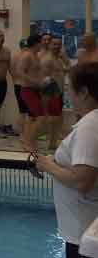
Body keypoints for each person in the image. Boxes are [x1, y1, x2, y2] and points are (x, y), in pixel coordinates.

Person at [34, 62, 98, 258]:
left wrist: (49, 165)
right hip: (85, 228)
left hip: (83, 233)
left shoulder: (89, 126)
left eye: (70, 88)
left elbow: (82, 181)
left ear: (84, 92)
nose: (67, 93)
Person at [40, 35, 69, 151]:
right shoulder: (47, 60)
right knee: (52, 118)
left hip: (58, 91)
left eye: (59, 44)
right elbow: (43, 78)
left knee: (56, 118)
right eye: (54, 44)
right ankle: (49, 142)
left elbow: (66, 69)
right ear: (49, 45)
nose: (57, 46)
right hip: (51, 91)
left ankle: (53, 142)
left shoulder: (58, 58)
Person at [20, 34, 47, 152]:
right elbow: (20, 72)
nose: (43, 44)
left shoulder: (35, 55)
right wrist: (36, 82)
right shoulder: (27, 55)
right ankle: (28, 143)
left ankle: (28, 142)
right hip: (28, 90)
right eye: (41, 42)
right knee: (40, 117)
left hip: (35, 90)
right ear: (36, 43)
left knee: (31, 118)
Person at [11, 38, 31, 137]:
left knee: (22, 111)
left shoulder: (15, 56)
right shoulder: (28, 56)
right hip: (26, 86)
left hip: (17, 85)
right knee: (28, 112)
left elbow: (12, 72)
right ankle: (22, 132)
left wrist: (16, 81)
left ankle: (19, 130)